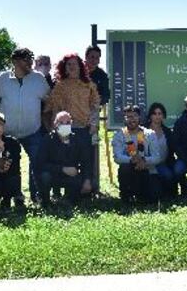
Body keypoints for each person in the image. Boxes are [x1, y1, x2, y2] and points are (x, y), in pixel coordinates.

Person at [0, 47, 51, 203]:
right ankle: (13, 196)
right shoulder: (2, 79)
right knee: (8, 165)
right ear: (15, 61)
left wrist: (47, 121)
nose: (30, 62)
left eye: (31, 58)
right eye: (26, 59)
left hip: (33, 130)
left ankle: (37, 197)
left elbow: (49, 102)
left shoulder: (39, 79)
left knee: (37, 163)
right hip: (7, 132)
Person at [43, 53, 100, 197]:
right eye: (68, 64)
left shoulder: (89, 85)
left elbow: (95, 105)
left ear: (81, 66)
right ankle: (61, 190)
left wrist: (94, 122)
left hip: (85, 128)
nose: (72, 66)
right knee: (66, 159)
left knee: (88, 159)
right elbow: (53, 108)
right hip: (65, 129)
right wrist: (54, 128)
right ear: (64, 67)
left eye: (75, 64)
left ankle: (90, 188)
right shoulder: (60, 86)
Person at [33, 111, 88, 205]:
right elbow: (39, 164)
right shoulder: (47, 140)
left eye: (67, 123)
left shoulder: (77, 140)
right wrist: (62, 169)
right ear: (55, 124)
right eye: (61, 123)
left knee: (84, 181)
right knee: (44, 176)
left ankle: (70, 201)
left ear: (71, 124)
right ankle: (45, 202)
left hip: (71, 174)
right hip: (52, 174)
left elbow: (85, 162)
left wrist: (87, 180)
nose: (65, 125)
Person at [112, 105, 161, 205]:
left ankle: (142, 196)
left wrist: (144, 161)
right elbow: (117, 157)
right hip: (129, 171)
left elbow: (157, 157)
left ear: (139, 117)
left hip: (147, 170)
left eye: (134, 116)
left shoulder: (149, 134)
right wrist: (132, 160)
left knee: (153, 198)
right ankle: (126, 197)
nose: (132, 119)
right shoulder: (119, 135)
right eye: (128, 117)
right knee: (124, 168)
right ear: (124, 119)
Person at [85, 45, 110, 193]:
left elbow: (107, 95)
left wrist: (96, 101)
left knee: (93, 149)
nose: (94, 60)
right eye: (92, 57)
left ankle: (95, 186)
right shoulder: (78, 71)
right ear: (86, 57)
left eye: (97, 57)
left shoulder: (101, 75)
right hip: (75, 116)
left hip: (93, 116)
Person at [146, 103, 178, 197]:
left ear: (163, 116)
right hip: (147, 164)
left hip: (162, 164)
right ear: (150, 116)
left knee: (168, 175)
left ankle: (169, 195)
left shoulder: (167, 132)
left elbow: (173, 150)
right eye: (154, 113)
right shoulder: (143, 130)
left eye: (160, 113)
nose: (157, 116)